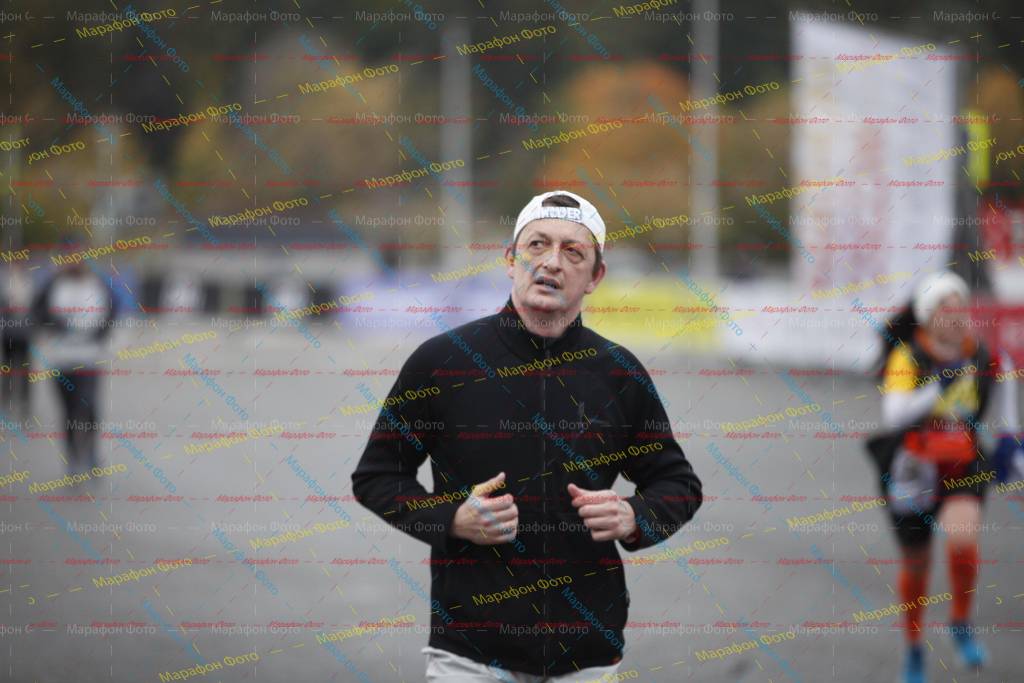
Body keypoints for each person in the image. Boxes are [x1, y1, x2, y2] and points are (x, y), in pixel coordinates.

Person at [351, 191, 703, 681]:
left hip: (585, 655)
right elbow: (377, 477)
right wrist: (451, 518)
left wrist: (633, 516)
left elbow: (678, 484)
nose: (552, 262)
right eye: (537, 244)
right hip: (469, 653)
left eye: (573, 252)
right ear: (510, 259)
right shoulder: (442, 362)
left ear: (595, 277)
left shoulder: (619, 373)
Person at [874, 271, 1020, 683]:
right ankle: (914, 647)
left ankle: (960, 620)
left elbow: (1007, 385)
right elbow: (893, 416)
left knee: (962, 538)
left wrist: (1009, 441)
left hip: (962, 465)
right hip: (912, 469)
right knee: (917, 564)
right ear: (927, 317)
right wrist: (938, 388)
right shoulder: (908, 357)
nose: (957, 316)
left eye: (961, 307)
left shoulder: (983, 355)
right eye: (946, 308)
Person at [32, 258, 116, 475]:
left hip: (89, 358)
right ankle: (72, 457)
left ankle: (91, 452)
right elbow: (36, 311)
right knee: (68, 411)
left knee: (89, 407)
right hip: (61, 359)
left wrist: (99, 334)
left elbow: (112, 309)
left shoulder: (97, 285)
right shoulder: (54, 285)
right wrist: (54, 324)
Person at [1, 262, 34, 417]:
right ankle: (6, 396)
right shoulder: (4, 283)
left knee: (25, 368)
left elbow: (35, 308)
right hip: (8, 333)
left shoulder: (29, 283)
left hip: (24, 333)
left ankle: (24, 401)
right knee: (7, 366)